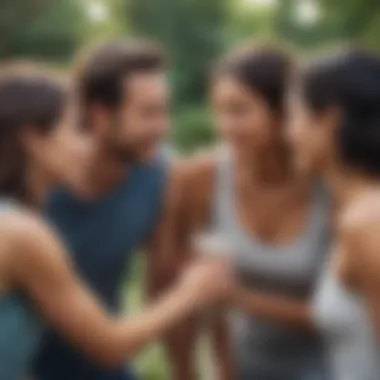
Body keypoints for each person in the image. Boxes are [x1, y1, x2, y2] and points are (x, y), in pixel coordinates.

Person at [0, 69, 232, 380]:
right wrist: (192, 290)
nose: (85, 145)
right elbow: (110, 345)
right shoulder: (22, 234)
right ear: (33, 140)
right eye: (74, 131)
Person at [30, 40, 193, 380]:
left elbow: (163, 286)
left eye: (165, 111)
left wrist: (185, 373)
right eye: (149, 113)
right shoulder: (35, 179)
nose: (164, 128)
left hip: (106, 367)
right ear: (100, 116)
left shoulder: (161, 176)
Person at [170, 45, 332, 380]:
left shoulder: (330, 184)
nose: (225, 126)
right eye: (219, 111)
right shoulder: (202, 178)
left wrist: (242, 300)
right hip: (247, 368)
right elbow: (191, 289)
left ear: (283, 113)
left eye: (239, 111)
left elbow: (351, 316)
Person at [286, 48, 380, 380]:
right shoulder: (353, 210)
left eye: (294, 116)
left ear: (329, 120)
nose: (289, 133)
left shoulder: (368, 222)